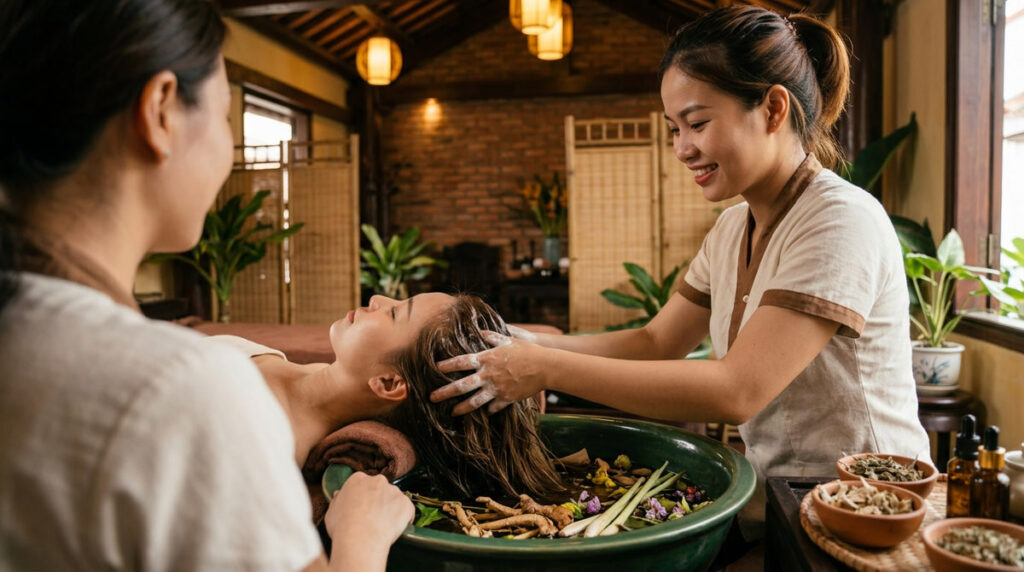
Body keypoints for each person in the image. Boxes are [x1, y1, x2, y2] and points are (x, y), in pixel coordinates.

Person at [429, 5, 931, 538]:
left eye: (697, 123)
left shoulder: (839, 219)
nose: (681, 149)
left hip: (868, 506)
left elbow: (737, 389)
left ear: (773, 108)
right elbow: (655, 342)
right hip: (781, 499)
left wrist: (546, 369)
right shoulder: (732, 228)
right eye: (674, 128)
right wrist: (528, 343)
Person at [0, 1, 410, 570]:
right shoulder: (179, 387)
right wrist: (361, 535)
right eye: (224, 116)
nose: (227, 150)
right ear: (160, 111)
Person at [222, 293, 563, 500]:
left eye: (394, 313)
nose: (377, 300)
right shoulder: (301, 373)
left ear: (388, 383)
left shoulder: (264, 441)